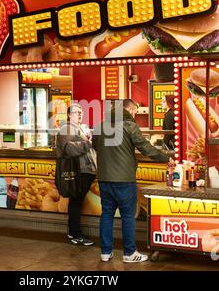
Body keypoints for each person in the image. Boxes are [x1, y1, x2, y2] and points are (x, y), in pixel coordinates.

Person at [92, 99, 171, 263]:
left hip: (104, 178)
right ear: (129, 110)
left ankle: (105, 252)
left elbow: (95, 145)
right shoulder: (129, 125)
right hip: (124, 178)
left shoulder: (100, 125)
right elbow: (146, 148)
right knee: (128, 215)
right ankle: (129, 253)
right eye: (135, 111)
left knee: (106, 214)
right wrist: (166, 158)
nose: (135, 114)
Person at [56, 103, 97, 246]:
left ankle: (73, 232)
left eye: (81, 112)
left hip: (85, 170)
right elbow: (68, 149)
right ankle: (75, 234)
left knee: (76, 202)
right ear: (68, 115)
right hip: (79, 171)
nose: (79, 114)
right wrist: (88, 144)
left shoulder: (80, 128)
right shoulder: (66, 128)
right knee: (76, 202)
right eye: (75, 112)